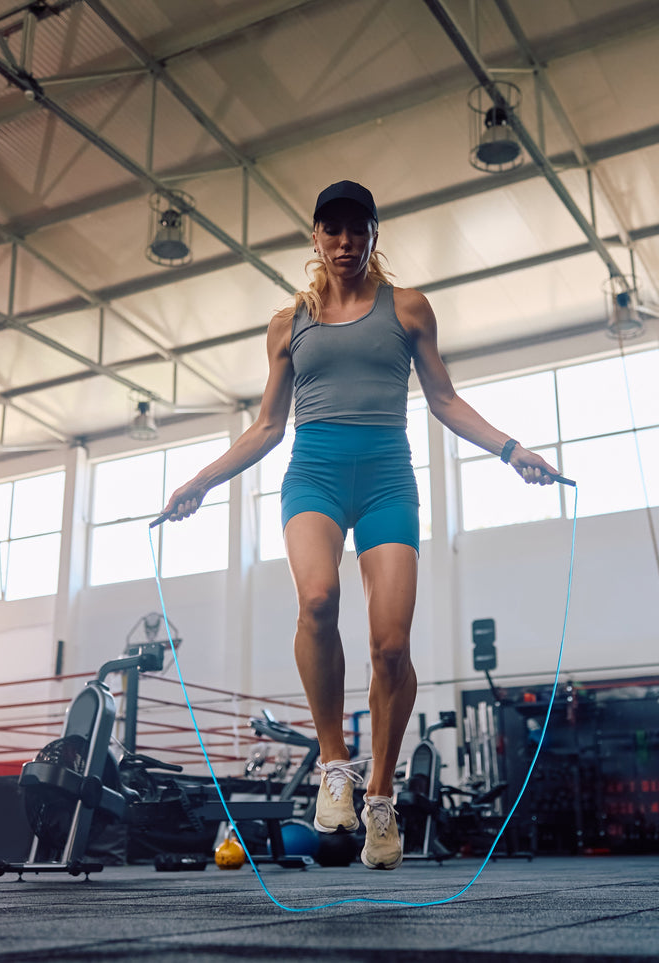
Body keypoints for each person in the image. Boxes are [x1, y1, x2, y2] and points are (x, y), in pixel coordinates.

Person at [159, 180, 559, 871]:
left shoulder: (406, 309)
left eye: (357, 230)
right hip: (312, 473)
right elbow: (265, 428)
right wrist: (198, 481)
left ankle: (379, 796)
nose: (344, 242)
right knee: (316, 600)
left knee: (390, 646)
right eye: (331, 230)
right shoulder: (289, 323)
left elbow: (444, 399)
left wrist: (510, 449)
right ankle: (335, 767)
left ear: (374, 235)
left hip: (386, 481)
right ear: (314, 237)